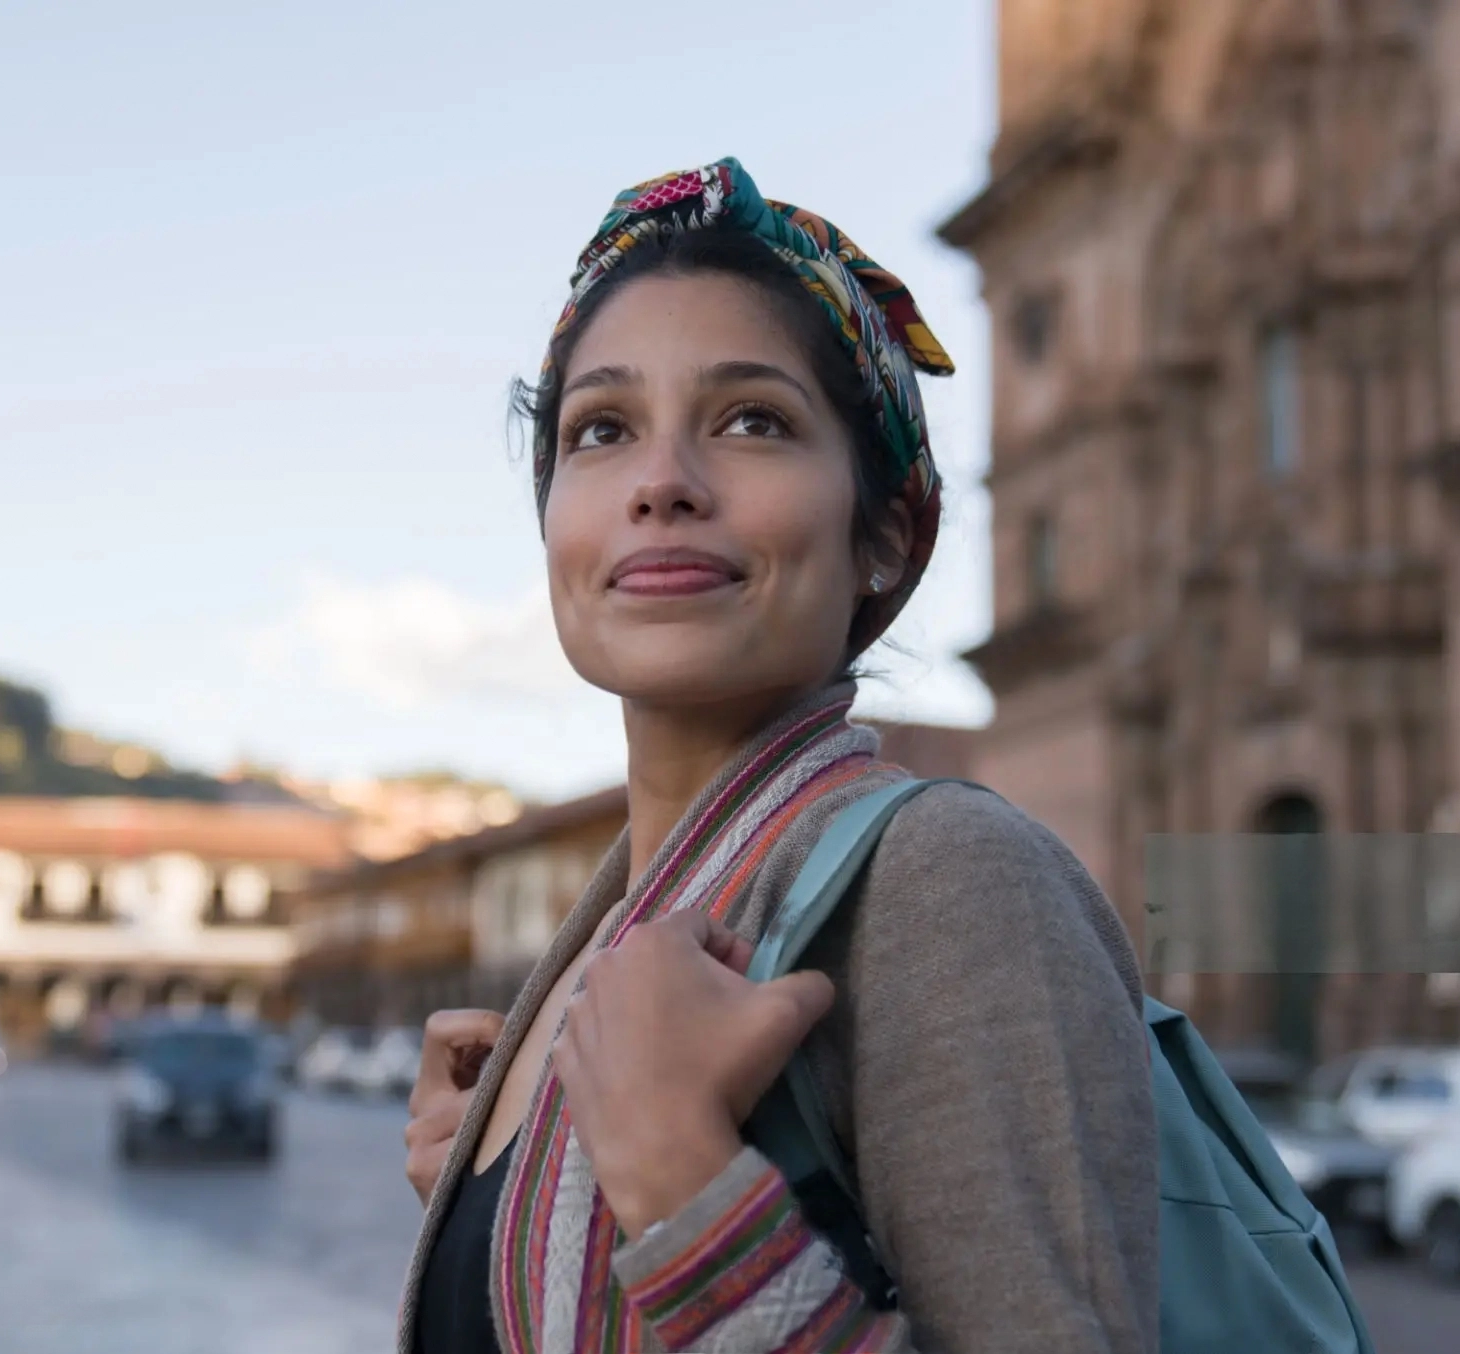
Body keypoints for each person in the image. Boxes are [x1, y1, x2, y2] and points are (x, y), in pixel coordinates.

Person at [395, 159, 1160, 1354]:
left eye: (752, 419)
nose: (661, 483)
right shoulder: (588, 960)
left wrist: (686, 1189)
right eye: (601, 429)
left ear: (885, 535)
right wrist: (509, 1195)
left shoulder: (948, 887)